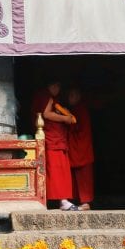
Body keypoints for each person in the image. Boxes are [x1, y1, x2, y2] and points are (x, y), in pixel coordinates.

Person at [32, 80, 78, 211]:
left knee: (59, 169)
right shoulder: (44, 96)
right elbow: (45, 114)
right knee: (56, 169)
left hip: (56, 139)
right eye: (55, 85)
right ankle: (62, 201)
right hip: (52, 139)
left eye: (59, 86)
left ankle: (62, 200)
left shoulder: (53, 99)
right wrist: (64, 118)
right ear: (50, 85)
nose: (57, 89)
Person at [66, 85, 95, 211]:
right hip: (77, 148)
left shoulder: (80, 110)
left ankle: (86, 202)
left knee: (84, 177)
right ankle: (80, 201)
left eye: (72, 95)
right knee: (77, 177)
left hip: (81, 149)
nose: (70, 98)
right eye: (69, 96)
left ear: (78, 96)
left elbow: (77, 127)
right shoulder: (75, 109)